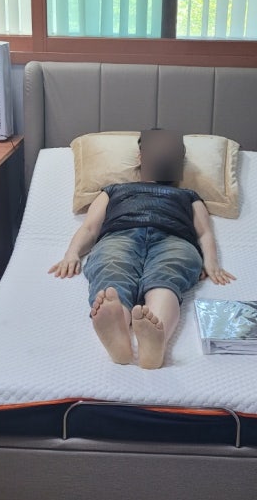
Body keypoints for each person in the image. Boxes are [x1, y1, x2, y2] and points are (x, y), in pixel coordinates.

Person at [49, 128, 235, 369]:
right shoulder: (114, 190)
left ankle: (156, 336)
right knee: (112, 268)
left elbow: (204, 233)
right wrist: (72, 253)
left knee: (168, 274)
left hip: (174, 239)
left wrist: (211, 262)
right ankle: (116, 326)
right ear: (140, 157)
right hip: (120, 236)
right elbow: (90, 228)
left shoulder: (188, 195)